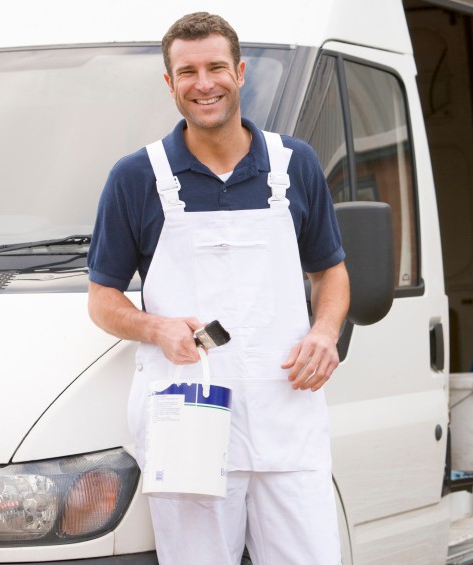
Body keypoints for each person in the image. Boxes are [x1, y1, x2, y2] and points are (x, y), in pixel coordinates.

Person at [86, 11, 349, 565]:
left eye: (215, 67)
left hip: (287, 413)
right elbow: (103, 300)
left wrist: (325, 332)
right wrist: (154, 326)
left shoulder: (293, 165)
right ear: (169, 82)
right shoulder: (135, 177)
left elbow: (330, 271)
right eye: (187, 72)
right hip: (189, 422)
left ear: (240, 71)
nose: (203, 84)